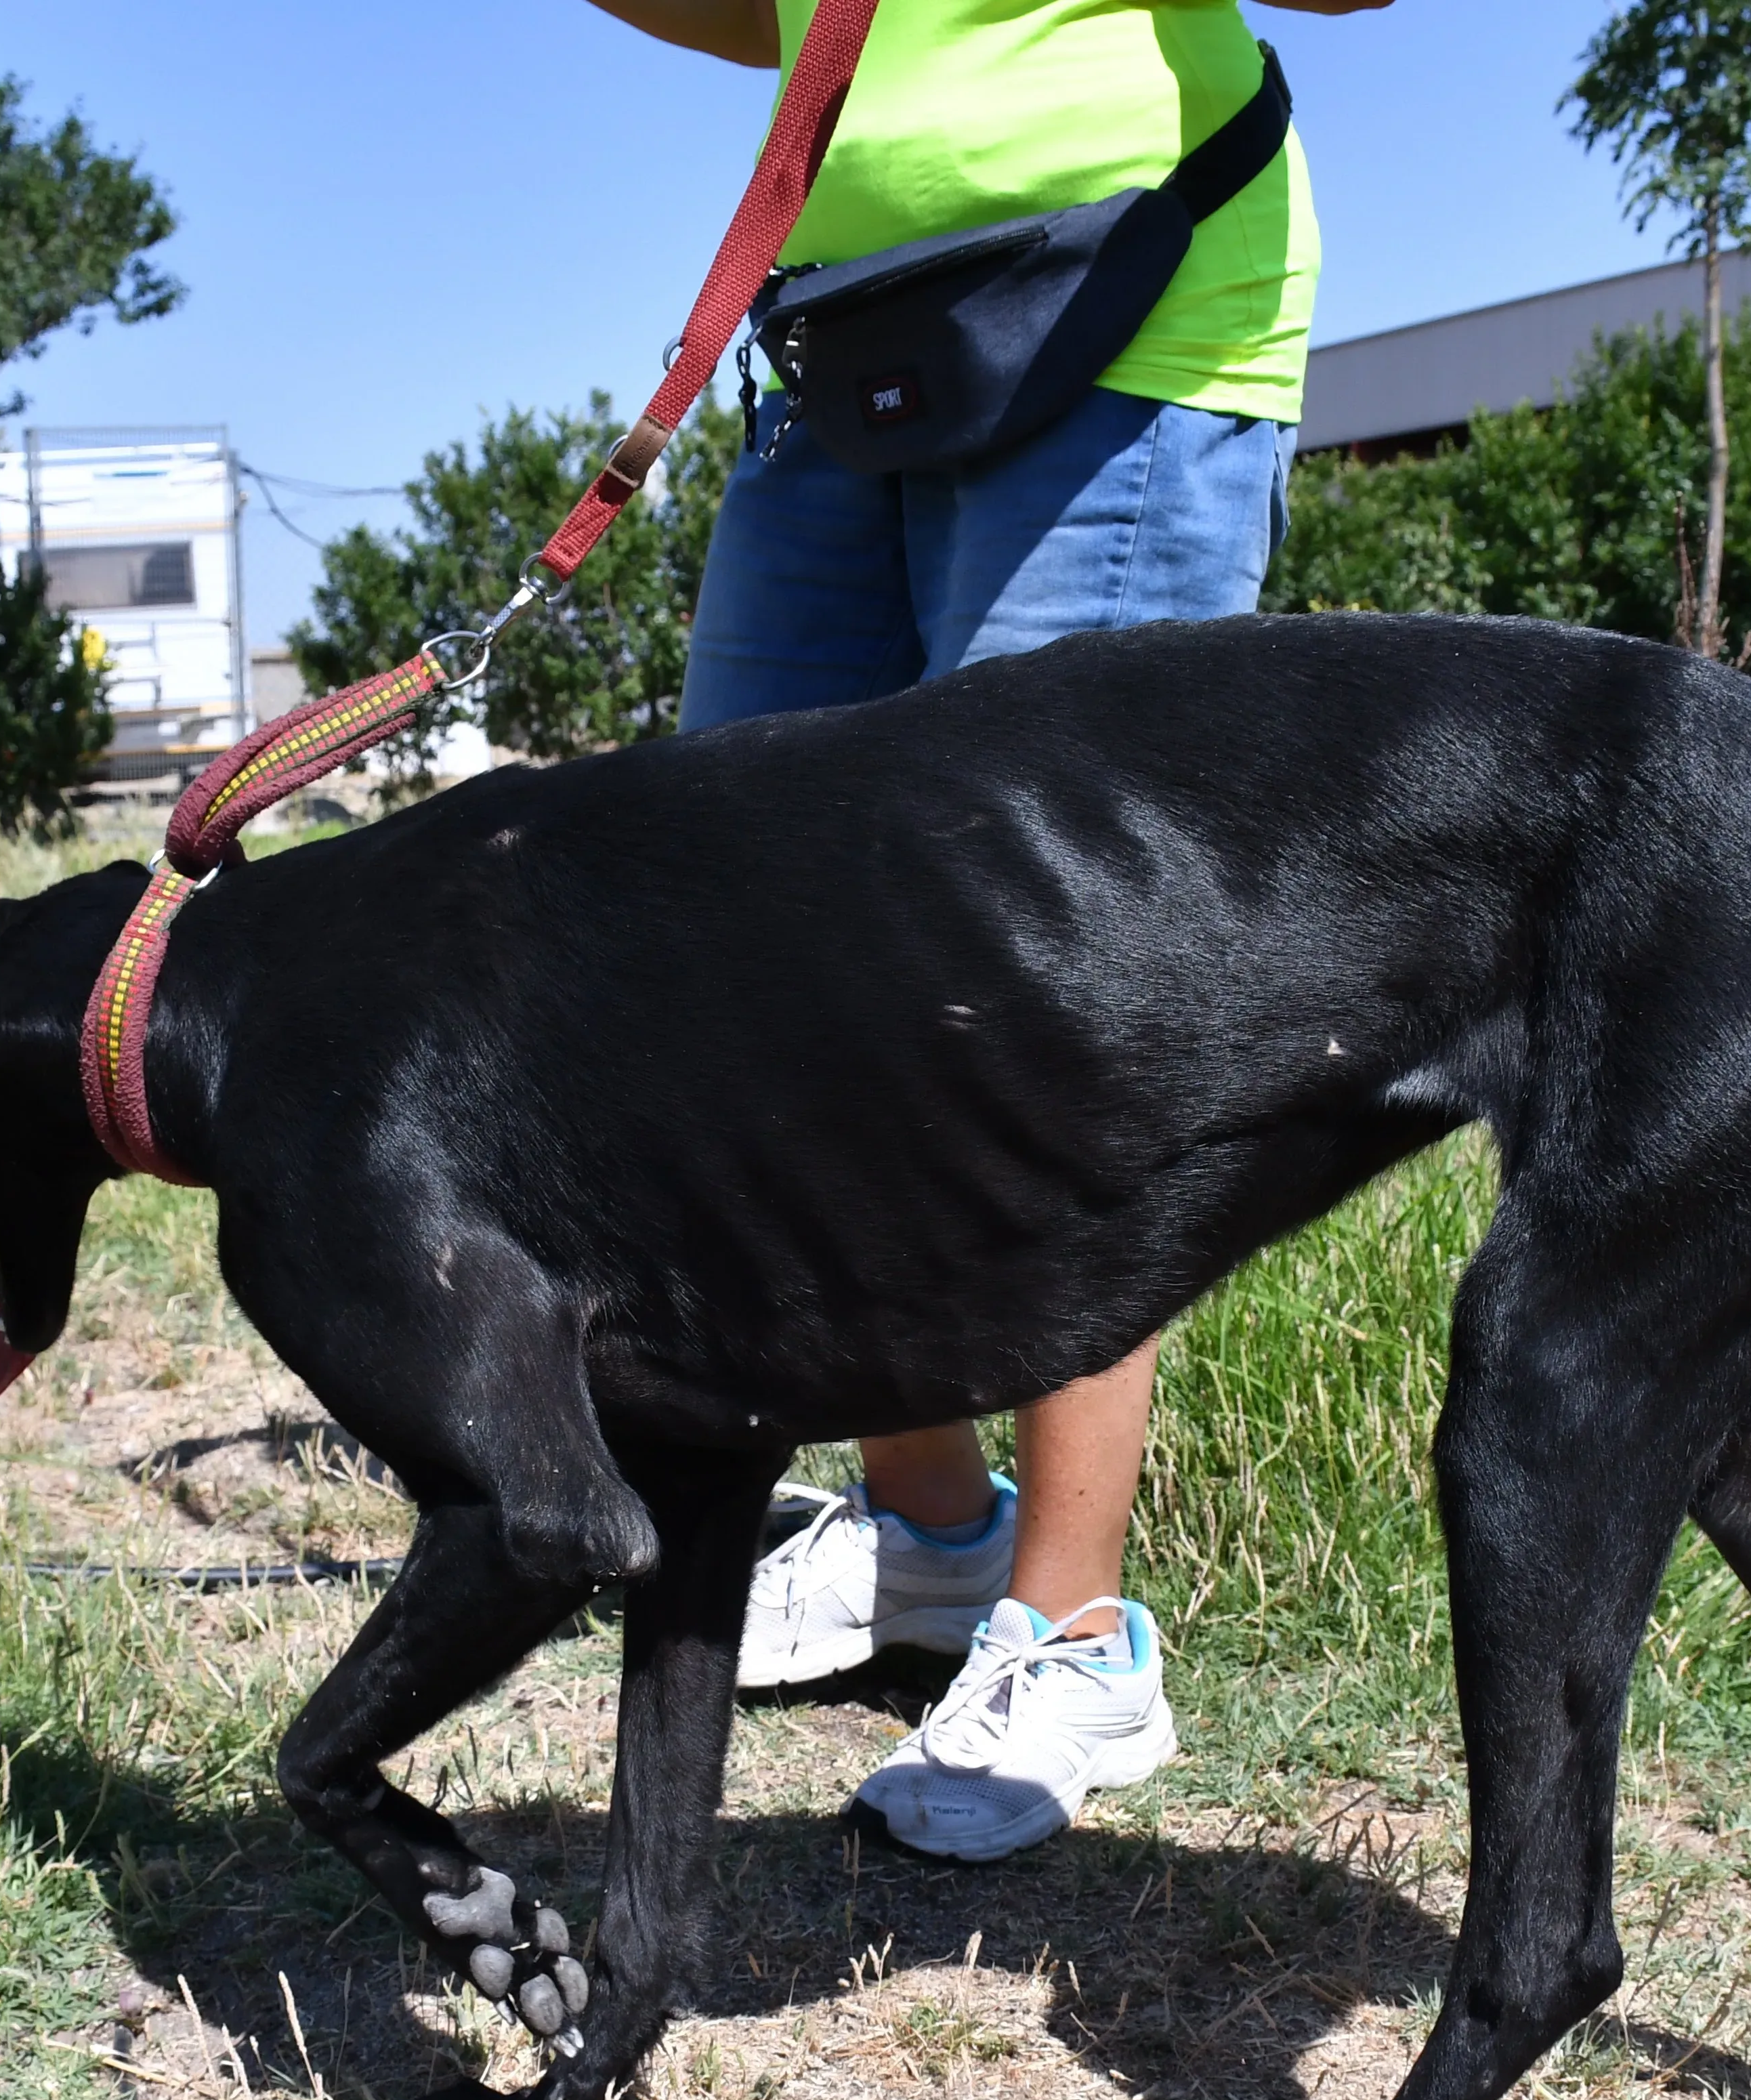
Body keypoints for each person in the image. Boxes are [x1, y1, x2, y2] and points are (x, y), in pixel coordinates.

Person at [589, 0, 1383, 1860]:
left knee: (1035, 1001)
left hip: (1126, 322)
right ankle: (930, 1536)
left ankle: (1078, 1628)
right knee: (764, 968)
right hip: (862, 342)